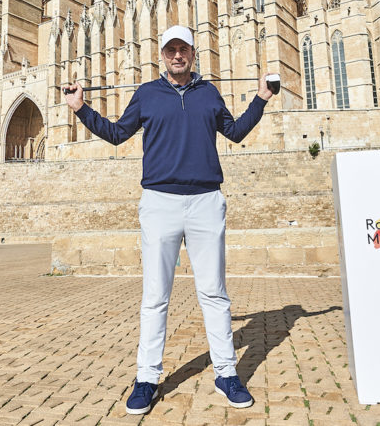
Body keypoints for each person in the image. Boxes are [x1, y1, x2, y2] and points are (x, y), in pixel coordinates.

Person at [63, 25, 273, 415]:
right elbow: (116, 134)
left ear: (193, 53)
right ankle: (146, 378)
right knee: (155, 296)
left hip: (206, 201)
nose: (177, 55)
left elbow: (235, 132)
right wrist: (81, 109)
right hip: (159, 202)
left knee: (214, 293)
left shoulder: (209, 93)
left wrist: (261, 98)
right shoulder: (146, 94)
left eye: (184, 49)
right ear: (162, 54)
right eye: (171, 49)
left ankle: (227, 373)